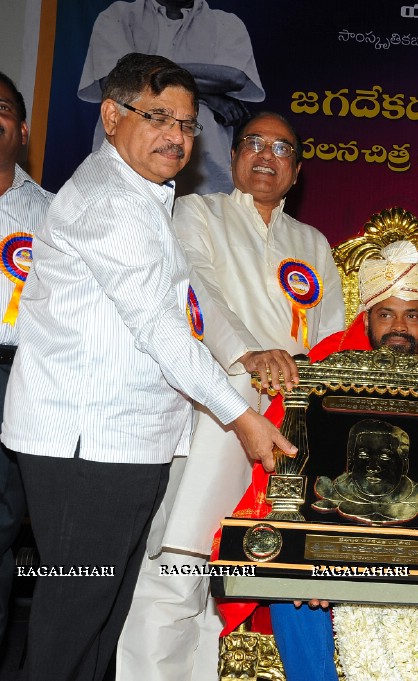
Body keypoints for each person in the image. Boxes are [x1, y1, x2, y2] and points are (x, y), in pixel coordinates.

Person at [0, 53, 292, 681]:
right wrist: (242, 417)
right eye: (156, 117)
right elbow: (162, 328)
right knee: (72, 617)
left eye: (187, 125)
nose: (175, 137)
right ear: (112, 115)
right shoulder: (111, 200)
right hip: (86, 447)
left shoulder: (145, 194)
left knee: (100, 619)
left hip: (123, 442)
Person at [219, 239, 418, 681]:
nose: (399, 327)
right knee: (290, 586)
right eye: (387, 313)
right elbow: (277, 467)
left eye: (412, 314)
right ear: (367, 318)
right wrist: (303, 563)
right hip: (331, 545)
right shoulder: (321, 364)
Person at [116, 110, 344, 681]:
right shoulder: (198, 211)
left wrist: (310, 386)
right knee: (177, 572)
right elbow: (196, 287)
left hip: (291, 435)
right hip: (216, 413)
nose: (267, 156)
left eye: (283, 149)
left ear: (297, 171)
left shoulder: (312, 242)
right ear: (235, 154)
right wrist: (249, 353)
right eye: (255, 143)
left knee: (239, 584)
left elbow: (335, 339)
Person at [79, 0, 264, 195]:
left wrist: (143, 68)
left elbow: (234, 77)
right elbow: (113, 81)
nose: (176, 132)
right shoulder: (117, 16)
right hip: (121, 181)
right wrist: (210, 96)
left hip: (205, 185)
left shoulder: (226, 24)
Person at [0, 72, 52, 643]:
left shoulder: (55, 214)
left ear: (23, 128)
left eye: (2, 108)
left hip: (17, 377)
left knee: (1, 527)